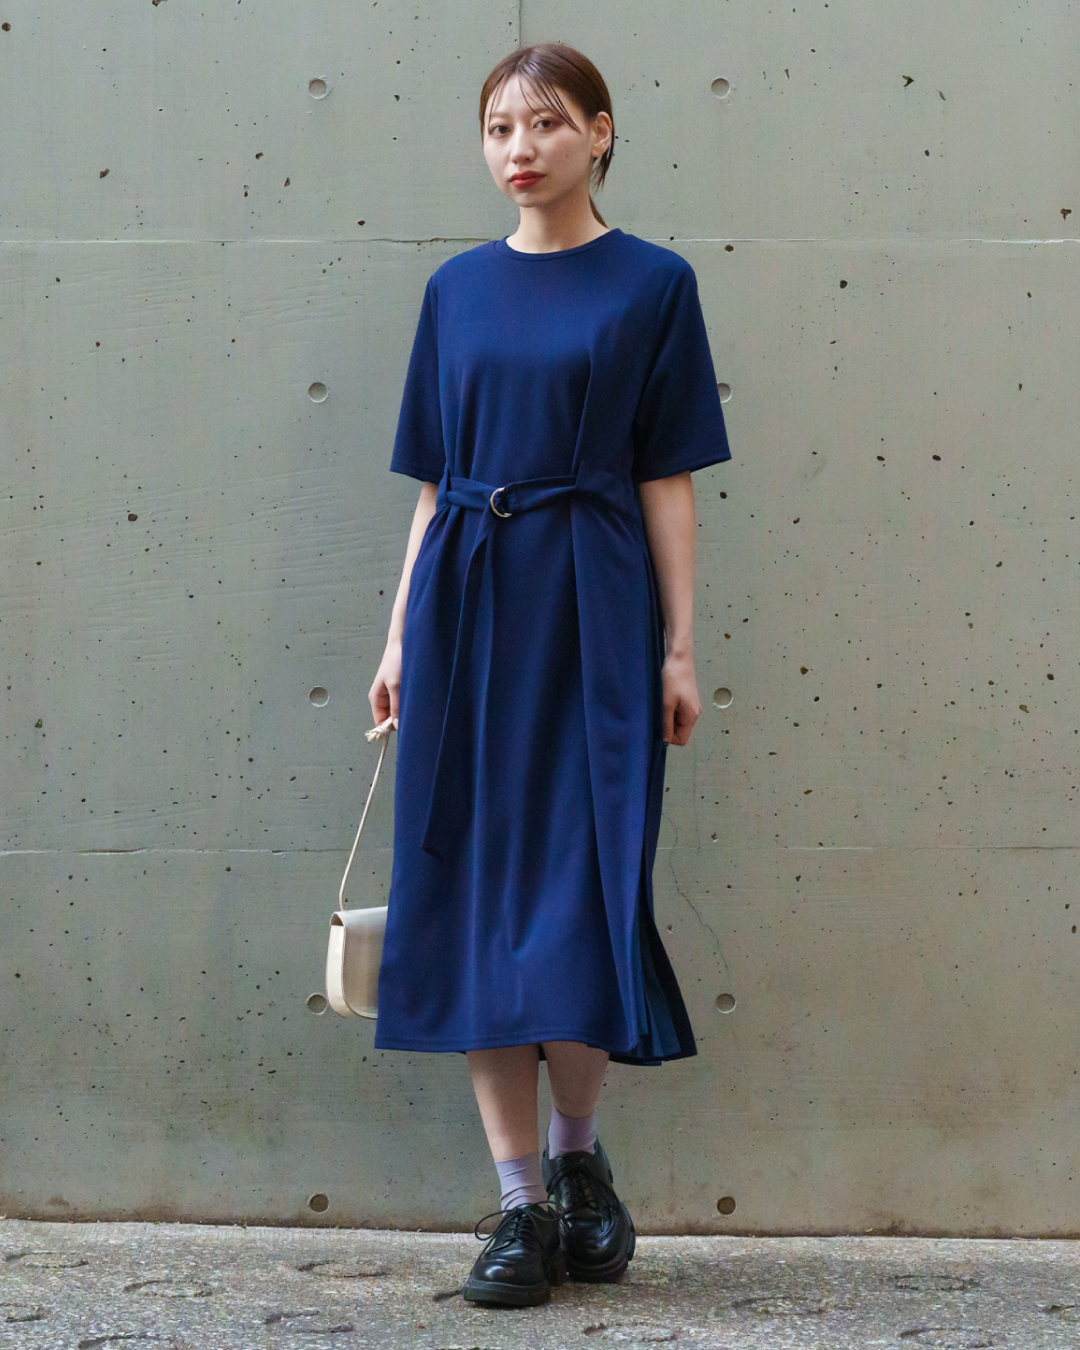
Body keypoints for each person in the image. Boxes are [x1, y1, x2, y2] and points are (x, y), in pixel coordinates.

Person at [367, 41, 730, 1308]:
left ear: (601, 133)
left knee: (584, 893)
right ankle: (519, 1205)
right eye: (497, 129)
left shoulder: (655, 285)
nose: (518, 150)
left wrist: (679, 646)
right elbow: (433, 484)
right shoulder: (456, 291)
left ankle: (579, 1166)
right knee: (473, 898)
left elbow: (666, 475)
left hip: (593, 609)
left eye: (545, 124)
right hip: (467, 608)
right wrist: (400, 636)